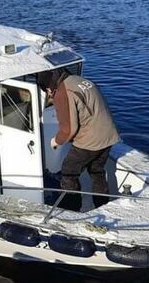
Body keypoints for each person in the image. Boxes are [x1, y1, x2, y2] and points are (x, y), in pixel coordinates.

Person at [39, 69, 121, 211]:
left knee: (69, 171)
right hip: (108, 134)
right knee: (97, 171)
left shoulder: (62, 92)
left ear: (48, 88)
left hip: (90, 140)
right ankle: (102, 206)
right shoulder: (79, 80)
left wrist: (56, 141)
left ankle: (72, 210)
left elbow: (69, 129)